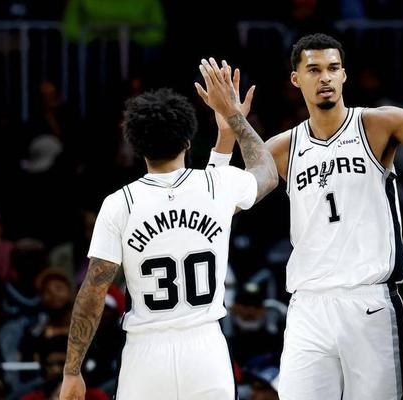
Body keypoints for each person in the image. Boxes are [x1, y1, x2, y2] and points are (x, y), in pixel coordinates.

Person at [207, 7, 403, 399]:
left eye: (333, 68)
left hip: (368, 300)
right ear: (295, 79)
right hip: (307, 306)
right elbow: (222, 203)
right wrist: (228, 130)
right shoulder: (282, 147)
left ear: (344, 75)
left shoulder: (378, 124)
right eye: (314, 69)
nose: (325, 77)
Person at [59, 82, 277, 399]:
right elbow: (266, 173)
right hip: (206, 351)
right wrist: (234, 117)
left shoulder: (120, 204)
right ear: (188, 141)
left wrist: (72, 370)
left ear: (136, 145)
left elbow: (93, 291)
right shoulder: (217, 186)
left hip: (146, 355)